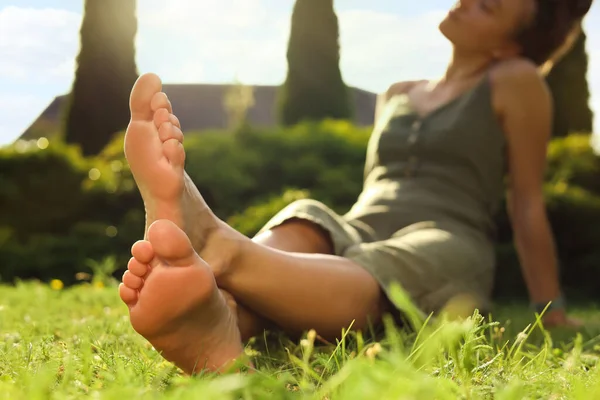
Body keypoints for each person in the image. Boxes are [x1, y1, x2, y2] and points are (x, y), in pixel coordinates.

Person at [117, 0, 592, 375]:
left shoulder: (516, 80)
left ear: (509, 46)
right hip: (361, 223)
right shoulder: (399, 92)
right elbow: (376, 182)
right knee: (307, 216)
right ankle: (222, 317)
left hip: (446, 237)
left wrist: (549, 309)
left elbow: (526, 202)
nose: (467, 0)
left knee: (377, 265)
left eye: (488, 6)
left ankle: (217, 245)